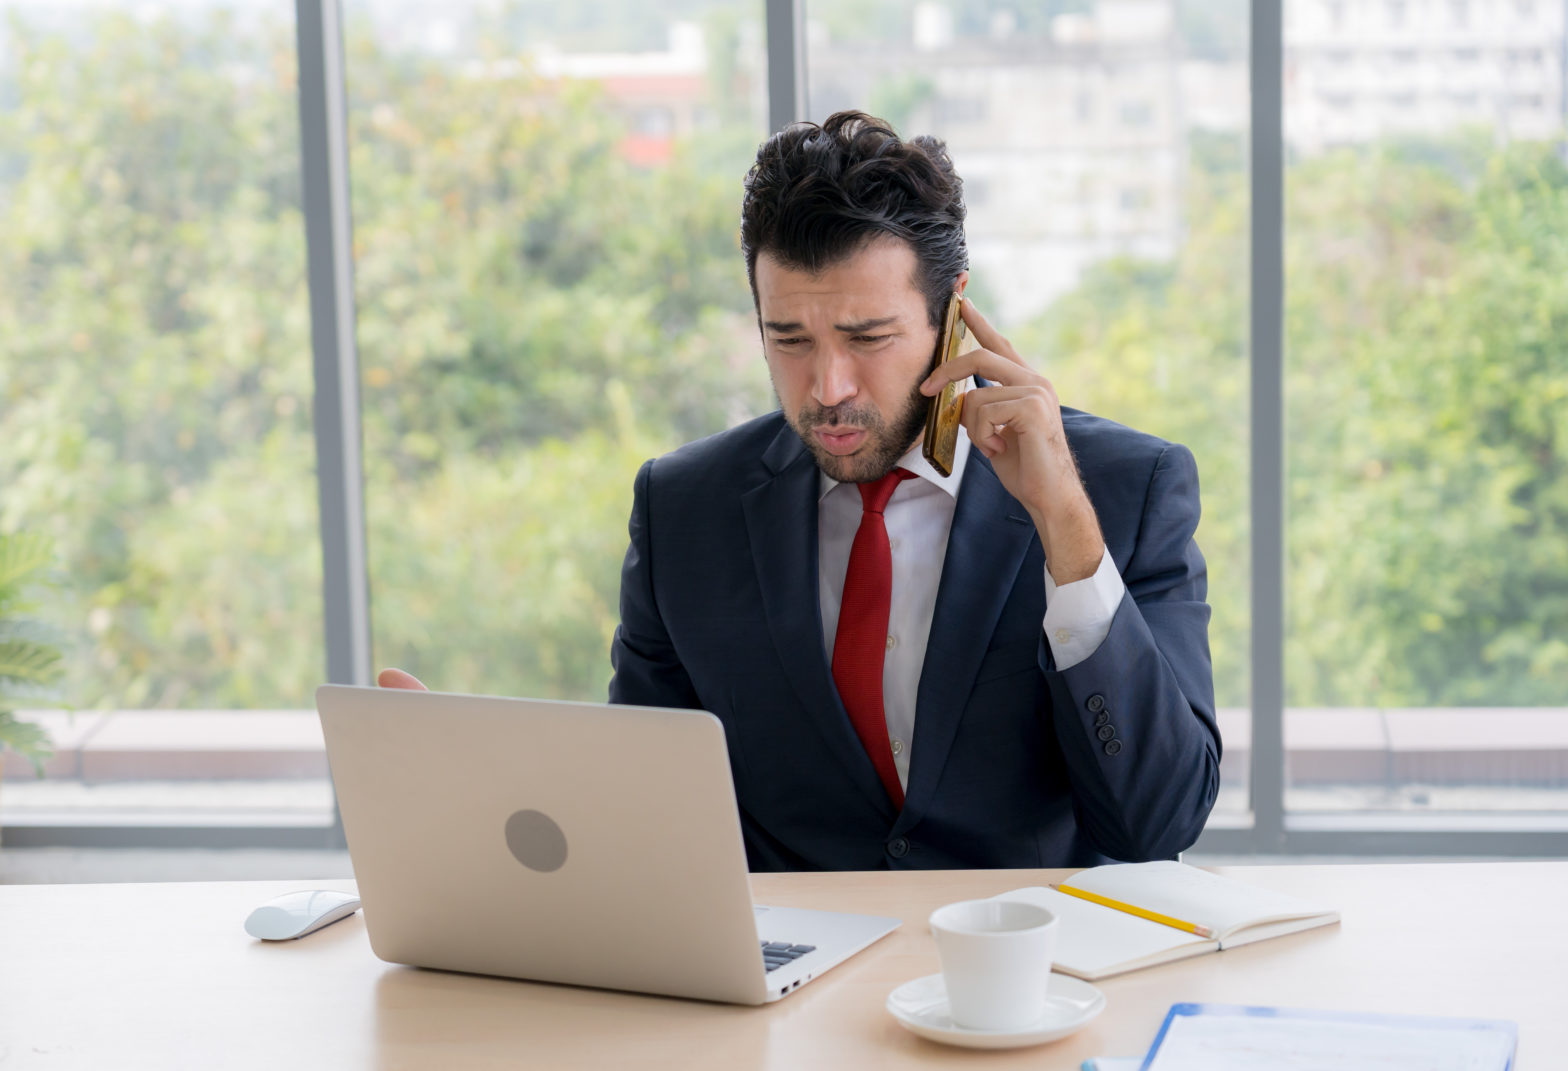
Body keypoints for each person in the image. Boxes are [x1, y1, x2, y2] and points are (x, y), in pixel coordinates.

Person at [384, 110, 1220, 871]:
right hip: (780, 1000)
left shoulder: (1123, 487)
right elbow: (647, 800)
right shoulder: (686, 509)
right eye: (788, 338)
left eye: (868, 337)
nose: (826, 386)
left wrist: (1062, 521)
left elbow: (1157, 821)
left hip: (1029, 981)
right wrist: (482, 776)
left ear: (953, 317)